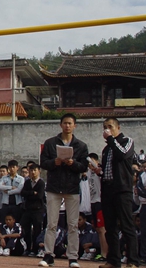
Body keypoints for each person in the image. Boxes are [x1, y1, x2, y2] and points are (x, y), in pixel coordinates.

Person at [39, 113, 89, 268]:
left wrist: (72, 163)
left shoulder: (81, 146)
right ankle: (48, 255)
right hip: (54, 187)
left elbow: (83, 167)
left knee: (73, 224)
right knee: (51, 223)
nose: (67, 126)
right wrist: (55, 162)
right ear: (60, 125)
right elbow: (43, 163)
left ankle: (73, 257)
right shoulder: (50, 143)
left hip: (72, 188)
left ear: (75, 126)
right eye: (65, 123)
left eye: (70, 123)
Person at [96, 117, 140, 268]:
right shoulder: (106, 149)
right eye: (105, 127)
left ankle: (133, 260)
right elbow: (109, 170)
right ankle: (113, 260)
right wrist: (99, 171)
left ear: (118, 128)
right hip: (108, 189)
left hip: (122, 189)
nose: (107, 130)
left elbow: (122, 155)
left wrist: (111, 140)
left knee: (127, 226)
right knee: (110, 227)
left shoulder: (126, 141)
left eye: (110, 126)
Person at [20, 163, 45, 256]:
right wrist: (32, 193)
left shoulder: (41, 183)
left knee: (37, 230)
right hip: (27, 209)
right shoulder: (27, 182)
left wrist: (30, 194)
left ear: (39, 171)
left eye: (35, 170)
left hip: (38, 210)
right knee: (25, 229)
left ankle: (35, 249)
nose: (33, 172)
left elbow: (39, 196)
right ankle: (27, 247)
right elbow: (22, 193)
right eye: (31, 170)